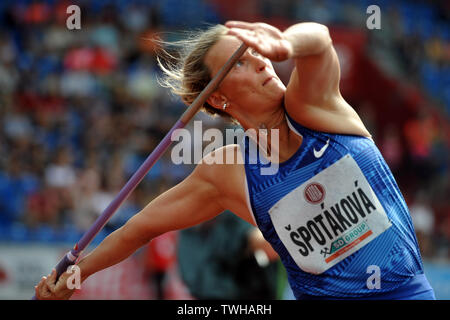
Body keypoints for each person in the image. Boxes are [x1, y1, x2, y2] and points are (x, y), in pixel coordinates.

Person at [35, 21, 435, 300]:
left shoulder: (314, 107)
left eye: (257, 52)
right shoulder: (228, 172)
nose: (262, 61)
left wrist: (285, 42)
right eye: (240, 62)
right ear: (217, 99)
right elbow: (136, 231)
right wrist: (75, 275)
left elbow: (320, 41)